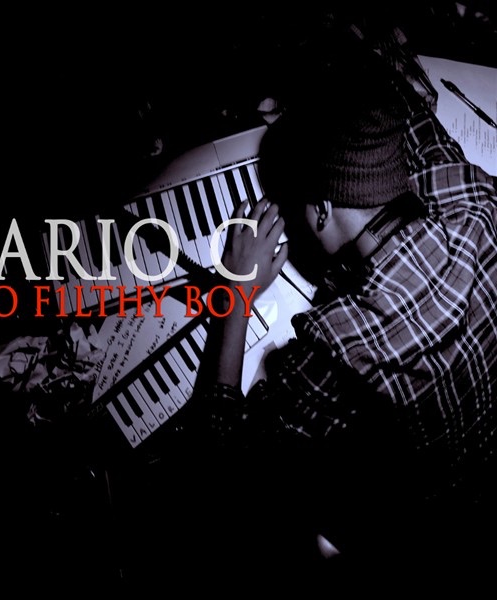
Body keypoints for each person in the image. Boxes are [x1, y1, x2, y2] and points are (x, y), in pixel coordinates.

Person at [187, 25, 497, 586]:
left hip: (418, 536)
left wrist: (235, 293)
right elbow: (407, 110)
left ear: (321, 210)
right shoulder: (473, 196)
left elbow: (219, 463)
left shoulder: (338, 351)